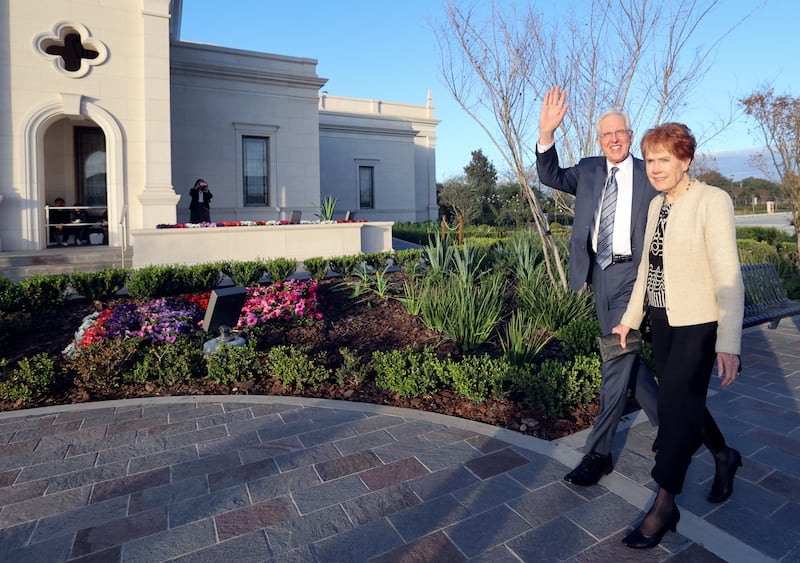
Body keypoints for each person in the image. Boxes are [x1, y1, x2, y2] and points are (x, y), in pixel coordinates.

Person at [614, 122, 744, 549]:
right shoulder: (656, 206)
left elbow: (728, 276)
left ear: (686, 160)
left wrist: (728, 343)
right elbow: (646, 274)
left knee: (673, 412)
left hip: (700, 323)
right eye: (650, 160)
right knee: (685, 403)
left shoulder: (712, 201)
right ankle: (724, 456)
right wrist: (631, 319)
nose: (655, 167)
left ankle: (665, 504)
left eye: (664, 159)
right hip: (663, 321)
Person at [536, 86, 660, 486]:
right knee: (627, 355)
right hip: (599, 275)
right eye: (606, 135)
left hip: (633, 276)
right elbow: (549, 175)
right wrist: (546, 133)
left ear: (629, 133)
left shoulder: (648, 173)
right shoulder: (589, 170)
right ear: (598, 139)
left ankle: (598, 453)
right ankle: (680, 427)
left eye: (619, 133)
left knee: (614, 358)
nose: (613, 140)